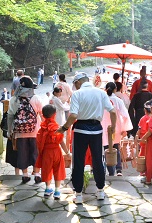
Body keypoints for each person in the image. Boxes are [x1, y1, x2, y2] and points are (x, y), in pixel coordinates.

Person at [57, 72, 116, 205]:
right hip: (96, 130)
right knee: (98, 160)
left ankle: (78, 194)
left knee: (78, 161)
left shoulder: (77, 94)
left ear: (78, 82)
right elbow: (112, 111)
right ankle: (100, 191)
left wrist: (64, 128)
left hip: (80, 130)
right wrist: (113, 126)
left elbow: (73, 116)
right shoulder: (101, 93)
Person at [6, 76, 43, 184]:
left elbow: (10, 116)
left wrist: (9, 131)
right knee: (35, 153)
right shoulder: (36, 98)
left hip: (19, 132)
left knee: (22, 153)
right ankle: (36, 174)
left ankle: (25, 175)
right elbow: (41, 114)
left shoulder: (14, 99)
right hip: (35, 131)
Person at [35, 104, 70, 200]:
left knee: (47, 169)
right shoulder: (56, 127)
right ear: (54, 115)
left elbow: (38, 141)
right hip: (56, 151)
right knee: (58, 169)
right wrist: (67, 152)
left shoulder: (42, 128)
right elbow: (61, 141)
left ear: (43, 115)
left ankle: (47, 189)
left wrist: (40, 153)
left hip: (46, 152)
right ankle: (57, 190)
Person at [101, 82, 132, 176]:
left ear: (105, 89)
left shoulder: (102, 100)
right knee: (116, 147)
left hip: (104, 127)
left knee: (106, 148)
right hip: (116, 127)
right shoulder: (118, 101)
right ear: (115, 89)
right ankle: (118, 169)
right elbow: (125, 115)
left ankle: (110, 170)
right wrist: (124, 128)